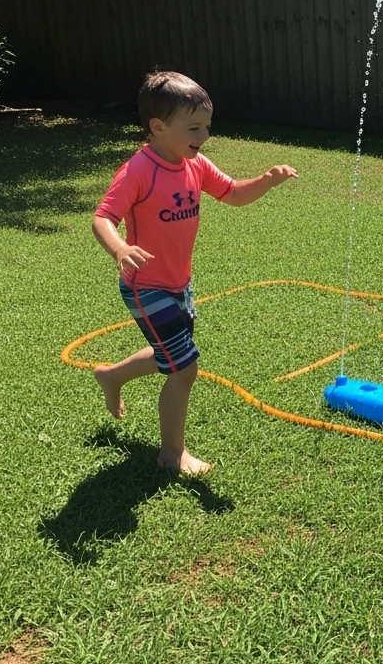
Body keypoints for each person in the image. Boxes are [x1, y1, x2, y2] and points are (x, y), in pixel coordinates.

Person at [92, 70, 298, 475]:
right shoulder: (138, 171)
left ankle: (111, 376)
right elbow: (103, 218)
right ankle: (172, 454)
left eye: (207, 126)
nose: (204, 136)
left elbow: (234, 194)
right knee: (185, 367)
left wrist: (266, 182)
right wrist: (119, 247)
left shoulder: (194, 163)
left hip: (178, 283)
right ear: (158, 127)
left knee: (170, 355)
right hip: (145, 286)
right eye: (194, 128)